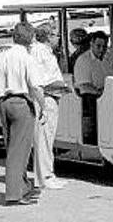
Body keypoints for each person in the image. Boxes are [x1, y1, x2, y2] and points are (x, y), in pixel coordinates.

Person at [0, 22, 46, 206]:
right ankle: (14, 193)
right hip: (21, 101)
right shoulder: (27, 58)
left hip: (3, 101)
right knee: (19, 150)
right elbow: (35, 86)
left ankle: (23, 186)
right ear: (29, 39)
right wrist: (41, 106)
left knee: (11, 144)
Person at [30, 23, 69, 190]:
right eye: (56, 35)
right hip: (46, 97)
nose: (58, 38)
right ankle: (44, 176)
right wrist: (61, 86)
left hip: (52, 96)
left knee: (48, 138)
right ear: (48, 36)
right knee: (44, 138)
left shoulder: (46, 52)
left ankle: (48, 173)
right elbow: (41, 80)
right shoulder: (40, 52)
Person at [73, 31, 113, 144]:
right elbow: (84, 86)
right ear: (92, 43)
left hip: (107, 92)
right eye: (98, 46)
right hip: (90, 95)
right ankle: (96, 140)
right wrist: (101, 93)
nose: (102, 49)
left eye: (104, 46)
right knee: (95, 103)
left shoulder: (109, 58)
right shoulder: (83, 60)